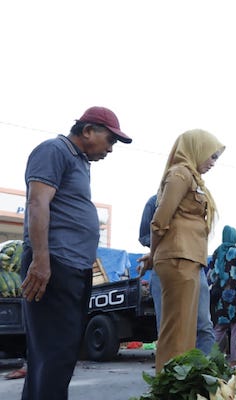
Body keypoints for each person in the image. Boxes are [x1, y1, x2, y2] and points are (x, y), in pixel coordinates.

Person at [20, 106, 132, 399]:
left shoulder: (79, 162)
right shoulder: (54, 150)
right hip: (54, 265)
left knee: (57, 352)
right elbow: (36, 204)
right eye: (110, 140)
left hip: (70, 267)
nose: (110, 149)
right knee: (55, 352)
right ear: (87, 130)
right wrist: (41, 261)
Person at [138, 129, 225, 372]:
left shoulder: (192, 177)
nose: (212, 162)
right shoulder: (180, 173)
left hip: (188, 258)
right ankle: (166, 384)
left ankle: (179, 382)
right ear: (196, 149)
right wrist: (154, 255)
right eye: (211, 156)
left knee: (186, 331)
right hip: (178, 257)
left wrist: (154, 255)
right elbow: (159, 220)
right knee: (176, 332)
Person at [138, 194, 215, 354]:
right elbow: (145, 235)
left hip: (195, 265)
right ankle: (171, 374)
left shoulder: (199, 200)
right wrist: (169, 243)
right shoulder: (155, 202)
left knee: (203, 324)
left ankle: (206, 372)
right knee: (167, 327)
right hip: (164, 266)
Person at [208, 225, 236, 367]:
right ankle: (235, 361)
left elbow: (211, 274)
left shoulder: (217, 252)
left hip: (221, 297)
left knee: (219, 327)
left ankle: (211, 357)